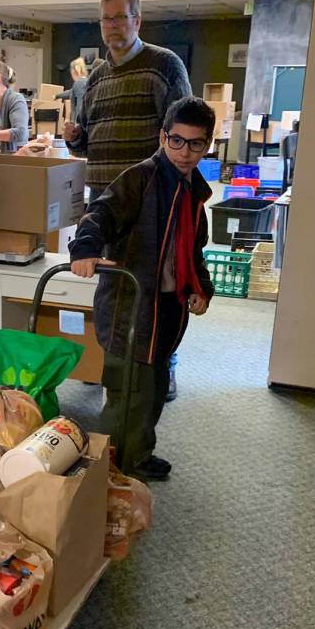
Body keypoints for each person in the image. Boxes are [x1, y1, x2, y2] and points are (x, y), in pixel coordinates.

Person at [69, 96, 216, 481]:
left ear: (208, 144)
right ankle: (107, 474)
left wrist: (202, 287)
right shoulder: (140, 178)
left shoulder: (195, 192)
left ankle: (137, 455)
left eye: (196, 143)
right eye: (177, 141)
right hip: (129, 308)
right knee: (126, 394)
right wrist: (85, 248)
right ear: (162, 136)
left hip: (168, 306)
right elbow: (100, 213)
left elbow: (193, 249)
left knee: (152, 390)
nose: (185, 152)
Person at [63, 0, 192, 403]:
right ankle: (115, 363)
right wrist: (75, 137)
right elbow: (86, 142)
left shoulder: (164, 65)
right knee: (112, 290)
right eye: (106, 18)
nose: (113, 25)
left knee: (156, 291)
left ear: (138, 20)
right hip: (104, 204)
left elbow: (184, 132)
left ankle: (163, 369)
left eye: (121, 17)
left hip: (150, 202)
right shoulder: (96, 76)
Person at [55, 57, 89, 123]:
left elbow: (79, 105)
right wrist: (57, 96)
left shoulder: (78, 83)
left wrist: (74, 122)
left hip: (80, 122)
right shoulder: (86, 81)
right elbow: (70, 92)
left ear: (73, 72)